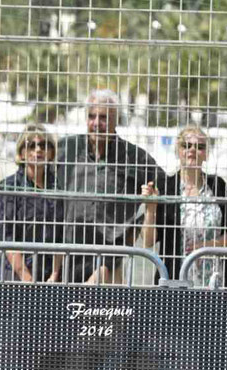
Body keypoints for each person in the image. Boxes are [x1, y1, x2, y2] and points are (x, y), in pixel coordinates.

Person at [56, 89, 167, 284]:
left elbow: (166, 188)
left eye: (103, 117)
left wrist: (138, 225)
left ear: (116, 120)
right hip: (67, 252)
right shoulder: (67, 149)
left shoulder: (134, 157)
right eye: (91, 116)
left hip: (109, 258)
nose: (96, 123)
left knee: (99, 311)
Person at [141, 125, 227, 288]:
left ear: (206, 154)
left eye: (200, 146)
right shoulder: (166, 187)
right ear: (178, 151)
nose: (192, 150)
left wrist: (206, 248)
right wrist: (151, 208)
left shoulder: (218, 185)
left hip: (215, 282)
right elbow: (148, 241)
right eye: (186, 145)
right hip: (175, 280)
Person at [0, 124, 64, 282]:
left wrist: (54, 275)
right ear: (22, 153)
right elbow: (7, 237)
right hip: (14, 275)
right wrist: (26, 277)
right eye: (31, 145)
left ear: (51, 153)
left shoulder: (59, 189)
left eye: (44, 145)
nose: (38, 150)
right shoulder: (8, 188)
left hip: (50, 276)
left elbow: (61, 236)